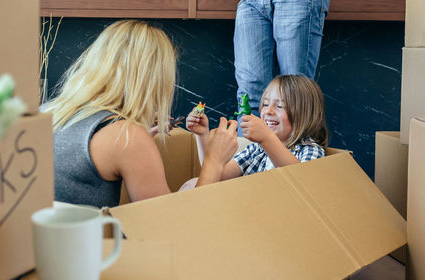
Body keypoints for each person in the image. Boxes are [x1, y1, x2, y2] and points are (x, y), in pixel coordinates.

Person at [41, 20, 239, 208]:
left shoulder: (47, 111)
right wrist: (214, 161)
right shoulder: (127, 137)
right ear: (153, 80)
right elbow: (174, 225)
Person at [186, 75, 328, 186]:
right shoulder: (256, 149)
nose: (268, 111)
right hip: (248, 209)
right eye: (265, 104)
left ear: (304, 115)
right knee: (192, 184)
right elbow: (216, 173)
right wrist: (202, 135)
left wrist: (266, 138)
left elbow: (303, 183)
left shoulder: (311, 150)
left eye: (279, 106)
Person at [234, 0, 329, 129]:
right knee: (249, 100)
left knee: (295, 96)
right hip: (251, 3)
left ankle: (299, 149)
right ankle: (250, 149)